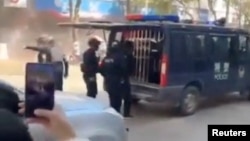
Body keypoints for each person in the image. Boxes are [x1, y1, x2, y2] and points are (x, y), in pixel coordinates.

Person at [99, 41, 127, 113]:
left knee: (111, 97)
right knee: (117, 98)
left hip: (108, 80)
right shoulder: (120, 57)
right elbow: (123, 68)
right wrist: (123, 77)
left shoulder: (106, 57)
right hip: (117, 80)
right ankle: (116, 112)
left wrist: (105, 75)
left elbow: (100, 68)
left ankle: (112, 110)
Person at [121, 41, 135, 117]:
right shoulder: (129, 56)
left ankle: (116, 111)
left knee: (116, 97)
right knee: (127, 97)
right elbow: (131, 68)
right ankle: (126, 114)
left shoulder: (119, 54)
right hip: (125, 78)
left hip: (116, 79)